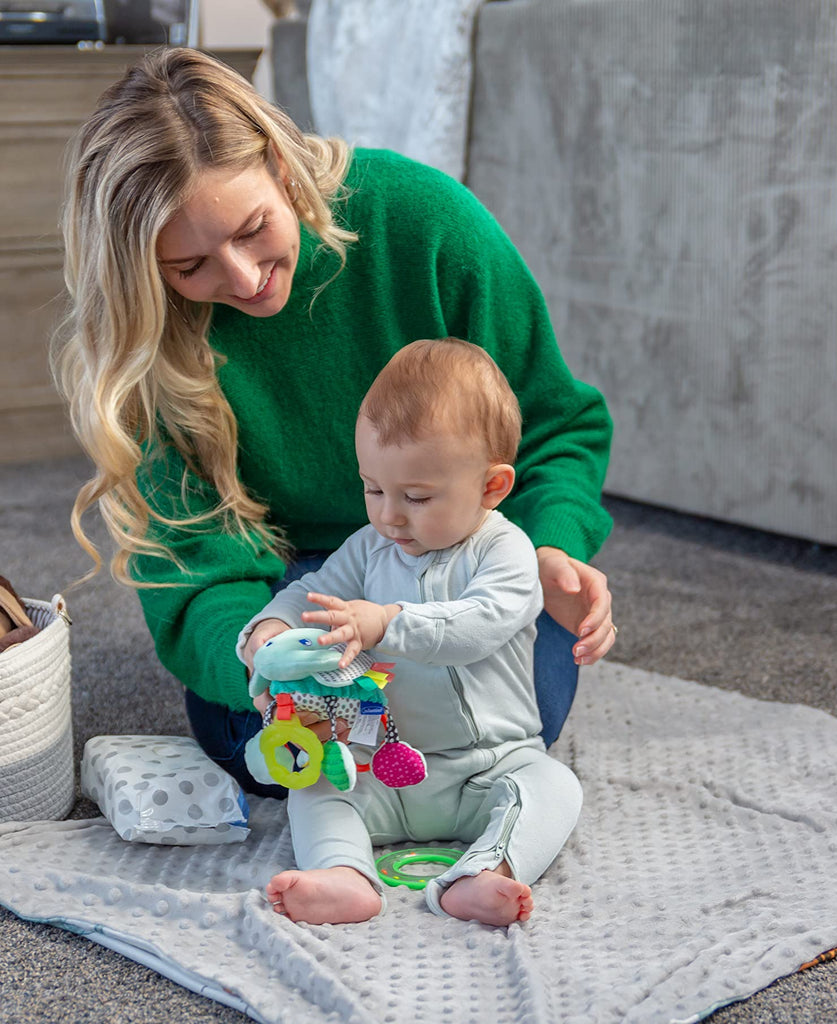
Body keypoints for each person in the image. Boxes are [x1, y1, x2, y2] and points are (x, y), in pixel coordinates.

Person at [54, 47, 617, 799]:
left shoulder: (422, 221)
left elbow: (554, 423)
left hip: (463, 550)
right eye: (190, 267)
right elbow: (193, 566)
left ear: (283, 171)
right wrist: (258, 650)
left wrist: (552, 549)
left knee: (503, 723)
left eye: (254, 228)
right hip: (297, 582)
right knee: (271, 739)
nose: (244, 279)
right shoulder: (147, 341)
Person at [240, 338, 584, 926]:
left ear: (491, 487)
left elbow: (475, 626)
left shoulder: (507, 551)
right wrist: (268, 633)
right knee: (318, 788)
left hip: (489, 763)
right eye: (373, 488)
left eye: (417, 497)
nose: (389, 515)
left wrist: (385, 621)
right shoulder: (371, 547)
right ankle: (345, 875)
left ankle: (485, 872)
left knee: (554, 787)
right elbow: (308, 595)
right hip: (378, 763)